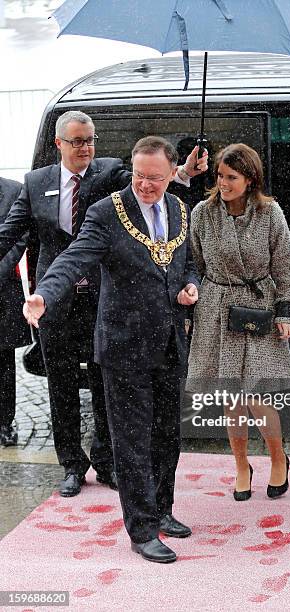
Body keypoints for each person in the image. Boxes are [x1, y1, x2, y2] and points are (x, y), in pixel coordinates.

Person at [0, 110, 207, 497]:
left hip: (102, 300)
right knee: (60, 385)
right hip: (55, 300)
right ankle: (72, 465)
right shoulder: (35, 183)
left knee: (104, 385)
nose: (86, 147)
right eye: (77, 141)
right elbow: (9, 233)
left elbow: (145, 183)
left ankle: (106, 460)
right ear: (59, 143)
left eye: (91, 139)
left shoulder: (108, 171)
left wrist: (180, 174)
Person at [24, 136, 200, 564]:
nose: (145, 185)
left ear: (172, 172)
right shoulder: (107, 212)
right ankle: (142, 530)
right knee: (132, 441)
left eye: (155, 178)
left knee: (166, 435)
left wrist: (189, 285)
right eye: (139, 175)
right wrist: (44, 295)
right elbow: (73, 258)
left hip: (169, 340)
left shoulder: (179, 208)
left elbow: (185, 261)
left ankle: (163, 509)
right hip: (123, 347)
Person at [187, 143, 290, 501]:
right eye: (219, 175)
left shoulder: (270, 213)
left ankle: (279, 459)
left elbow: (284, 263)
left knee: (260, 396)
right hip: (217, 308)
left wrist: (284, 310)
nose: (223, 183)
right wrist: (195, 307)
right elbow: (196, 262)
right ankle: (240, 466)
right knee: (230, 396)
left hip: (258, 307)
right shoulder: (203, 212)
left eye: (231, 177)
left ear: (250, 180)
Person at [0, 177, 31, 446]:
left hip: (3, 284)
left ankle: (3, 421)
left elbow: (21, 236)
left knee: (2, 360)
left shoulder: (13, 191)